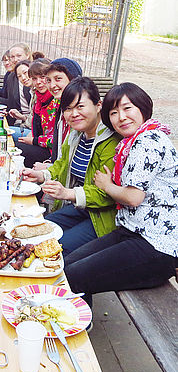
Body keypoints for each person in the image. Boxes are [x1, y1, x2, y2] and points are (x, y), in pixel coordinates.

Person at [64, 82, 178, 307]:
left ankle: (78, 330)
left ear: (143, 107)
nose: (121, 117)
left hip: (155, 246)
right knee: (67, 265)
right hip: (132, 232)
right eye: (114, 112)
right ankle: (78, 322)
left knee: (73, 276)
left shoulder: (147, 141)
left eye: (128, 108)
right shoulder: (133, 141)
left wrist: (106, 185)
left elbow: (134, 197)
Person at [22, 77, 121, 255]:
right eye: (67, 108)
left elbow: (108, 194)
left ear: (98, 105)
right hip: (82, 208)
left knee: (56, 247)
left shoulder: (110, 142)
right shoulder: (76, 134)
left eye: (80, 106)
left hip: (102, 216)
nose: (73, 114)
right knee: (38, 230)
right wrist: (42, 175)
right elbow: (62, 165)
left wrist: (68, 193)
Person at [15, 58, 55, 168]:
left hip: (51, 152)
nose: (38, 82)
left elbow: (56, 140)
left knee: (14, 148)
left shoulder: (55, 101)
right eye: (34, 78)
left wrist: (34, 141)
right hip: (39, 143)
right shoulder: (38, 97)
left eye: (42, 77)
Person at [45, 58, 83, 163]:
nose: (52, 85)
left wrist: (49, 169)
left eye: (58, 79)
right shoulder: (61, 108)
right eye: (48, 80)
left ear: (73, 79)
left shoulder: (81, 114)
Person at [0, 43, 33, 125]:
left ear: (27, 55)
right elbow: (11, 102)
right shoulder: (11, 77)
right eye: (12, 57)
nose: (15, 59)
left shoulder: (33, 77)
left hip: (29, 124)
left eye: (19, 56)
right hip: (19, 120)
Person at [7, 60, 33, 140]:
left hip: (36, 135)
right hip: (28, 128)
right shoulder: (33, 92)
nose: (23, 78)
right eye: (19, 76)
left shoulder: (40, 93)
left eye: (25, 73)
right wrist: (21, 117)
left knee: (2, 134)